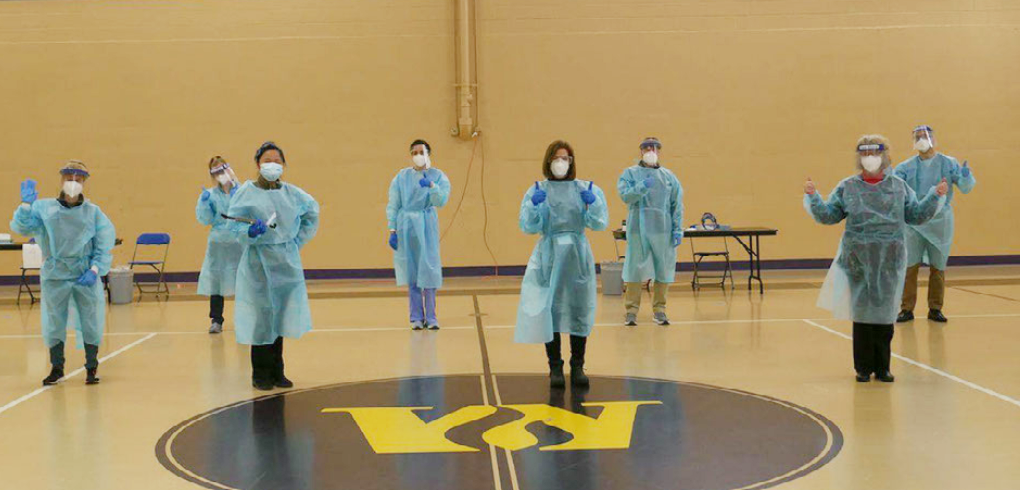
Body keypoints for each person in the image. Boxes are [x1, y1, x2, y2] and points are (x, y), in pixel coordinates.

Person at [804, 135, 946, 383]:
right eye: (865, 154)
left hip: (889, 260)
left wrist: (935, 196)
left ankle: (883, 368)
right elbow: (829, 215)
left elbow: (915, 214)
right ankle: (862, 368)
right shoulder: (847, 187)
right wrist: (814, 197)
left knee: (884, 314)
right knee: (862, 316)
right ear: (859, 157)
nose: (870, 159)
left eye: (875, 153)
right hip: (857, 260)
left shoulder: (898, 186)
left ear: (885, 156)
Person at [11, 161, 116, 386]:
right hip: (55, 274)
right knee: (54, 321)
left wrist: (95, 270)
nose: (73, 183)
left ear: (85, 182)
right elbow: (23, 227)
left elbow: (103, 244)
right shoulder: (45, 209)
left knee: (90, 321)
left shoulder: (93, 212)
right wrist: (26, 206)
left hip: (83, 273)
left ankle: (91, 367)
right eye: (69, 177)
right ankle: (56, 367)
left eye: (78, 179)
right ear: (61, 179)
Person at [227, 142, 320, 391]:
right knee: (261, 318)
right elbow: (233, 225)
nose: (273, 165)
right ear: (258, 163)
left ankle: (278, 371)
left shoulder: (292, 194)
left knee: (280, 317)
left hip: (286, 264)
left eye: (277, 161)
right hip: (258, 263)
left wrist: (295, 241)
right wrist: (250, 232)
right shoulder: (246, 193)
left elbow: (312, 213)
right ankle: (260, 374)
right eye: (268, 160)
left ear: (284, 165)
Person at [516, 140, 609, 388]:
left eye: (566, 158)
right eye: (557, 158)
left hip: (577, 255)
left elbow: (599, 223)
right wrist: (534, 206)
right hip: (549, 254)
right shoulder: (538, 189)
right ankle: (554, 367)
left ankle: (577, 365)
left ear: (572, 161)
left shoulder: (585, 189)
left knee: (579, 308)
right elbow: (528, 225)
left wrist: (594, 204)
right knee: (550, 310)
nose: (561, 163)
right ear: (548, 161)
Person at [893, 125, 976, 323]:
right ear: (914, 142)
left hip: (940, 223)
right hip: (914, 223)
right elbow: (896, 188)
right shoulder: (905, 167)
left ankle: (935, 308)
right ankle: (906, 309)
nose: (922, 139)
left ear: (932, 139)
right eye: (918, 137)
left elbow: (965, 188)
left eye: (925, 136)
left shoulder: (948, 163)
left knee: (938, 267)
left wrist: (965, 176)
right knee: (910, 267)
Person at [617, 137, 684, 326]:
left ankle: (660, 310)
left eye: (654, 147)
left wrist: (678, 229)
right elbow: (626, 196)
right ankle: (631, 311)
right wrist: (641, 186)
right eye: (646, 147)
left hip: (663, 230)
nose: (650, 150)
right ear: (640, 151)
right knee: (634, 269)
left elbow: (676, 204)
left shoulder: (668, 177)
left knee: (663, 269)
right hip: (638, 229)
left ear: (659, 151)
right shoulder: (630, 174)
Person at [386, 139, 451, 330]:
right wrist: (392, 229)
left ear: (428, 154)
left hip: (426, 223)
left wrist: (432, 186)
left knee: (429, 268)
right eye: (414, 152)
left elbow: (441, 200)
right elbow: (393, 204)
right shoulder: (401, 177)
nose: (417, 156)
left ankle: (431, 317)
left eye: (421, 152)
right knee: (412, 270)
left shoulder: (437, 176)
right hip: (406, 224)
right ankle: (415, 317)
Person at [196, 156, 243, 334]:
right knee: (217, 281)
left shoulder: (241, 191)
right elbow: (205, 219)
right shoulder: (210, 195)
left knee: (242, 280)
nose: (220, 174)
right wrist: (204, 203)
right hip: (218, 244)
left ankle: (243, 318)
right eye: (216, 172)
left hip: (239, 242)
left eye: (222, 170)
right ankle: (216, 320)